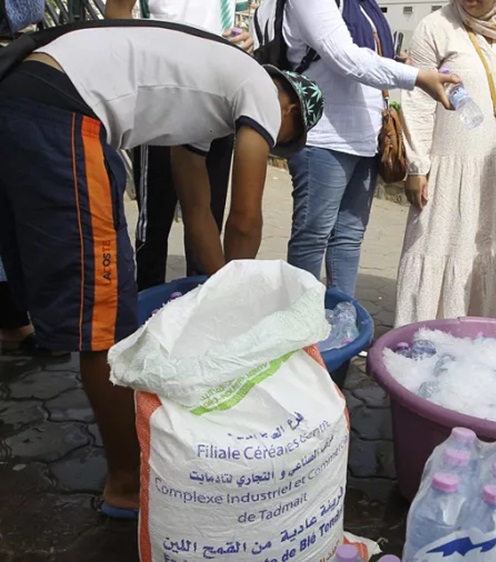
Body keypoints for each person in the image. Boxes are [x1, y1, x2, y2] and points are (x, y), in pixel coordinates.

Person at [0, 22, 322, 517]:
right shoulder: (260, 86)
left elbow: (197, 213)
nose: (272, 146)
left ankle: (15, 325)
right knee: (106, 309)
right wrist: (242, 321)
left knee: (35, 258)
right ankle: (128, 481)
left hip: (22, 95)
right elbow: (243, 218)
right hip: (66, 105)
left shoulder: (201, 112)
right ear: (289, 109)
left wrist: (219, 296)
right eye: (284, 140)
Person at [254, 0, 459, 297]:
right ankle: (301, 327)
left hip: (365, 137)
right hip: (324, 137)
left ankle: (342, 320)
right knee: (313, 238)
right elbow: (345, 57)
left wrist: (400, 66)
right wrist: (416, 77)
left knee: (348, 239)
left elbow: (368, 58)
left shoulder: (364, 5)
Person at [394, 0, 496, 325]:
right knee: (438, 248)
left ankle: (479, 343)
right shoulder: (437, 27)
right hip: (447, 172)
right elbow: (417, 100)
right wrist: (418, 166)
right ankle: (423, 339)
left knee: (486, 256)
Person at [105, 0, 255, 291]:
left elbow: (234, 26)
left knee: (208, 215)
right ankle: (145, 311)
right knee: (154, 224)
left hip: (217, 101)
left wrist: (246, 41)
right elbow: (116, 17)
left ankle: (200, 306)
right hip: (164, 105)